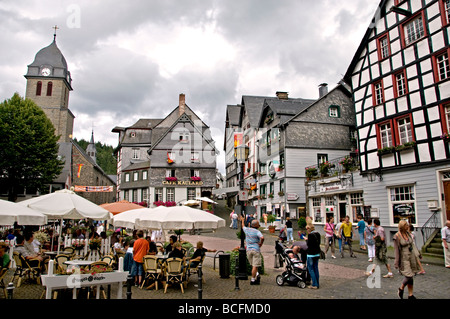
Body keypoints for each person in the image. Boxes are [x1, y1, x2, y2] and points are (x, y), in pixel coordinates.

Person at [394, 220, 422, 299]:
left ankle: (410, 294)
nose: (408, 227)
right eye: (406, 225)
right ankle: (401, 288)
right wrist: (396, 262)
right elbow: (396, 250)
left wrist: (418, 254)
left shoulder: (408, 234)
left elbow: (412, 245)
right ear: (403, 226)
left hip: (411, 256)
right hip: (404, 258)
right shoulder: (397, 236)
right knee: (408, 275)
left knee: (412, 275)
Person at [240, 215, 264, 285]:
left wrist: (242, 220)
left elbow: (243, 226)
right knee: (255, 265)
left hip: (248, 249)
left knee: (252, 264)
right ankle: (253, 280)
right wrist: (261, 243)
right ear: (257, 226)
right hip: (256, 249)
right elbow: (262, 238)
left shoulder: (247, 230)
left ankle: (257, 274)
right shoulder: (257, 232)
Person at [305, 224, 321, 289]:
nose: (306, 230)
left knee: (311, 269)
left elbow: (309, 245)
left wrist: (306, 240)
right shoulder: (318, 234)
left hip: (311, 254)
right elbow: (318, 243)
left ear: (309, 228)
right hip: (317, 253)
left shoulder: (310, 235)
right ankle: (317, 283)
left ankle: (314, 284)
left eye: (307, 229)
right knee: (316, 268)